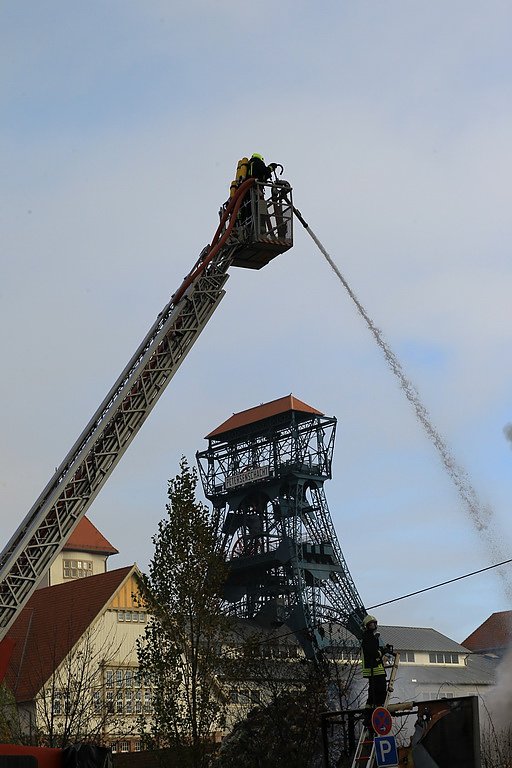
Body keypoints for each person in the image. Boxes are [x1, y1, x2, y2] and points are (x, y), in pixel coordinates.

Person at [361, 614, 388, 727]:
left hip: (373, 670)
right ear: (367, 626)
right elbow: (373, 652)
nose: (373, 625)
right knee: (381, 691)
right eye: (371, 624)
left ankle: (369, 715)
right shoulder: (369, 637)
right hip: (375, 670)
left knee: (372, 694)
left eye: (374, 623)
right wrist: (383, 651)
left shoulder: (368, 637)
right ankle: (378, 712)